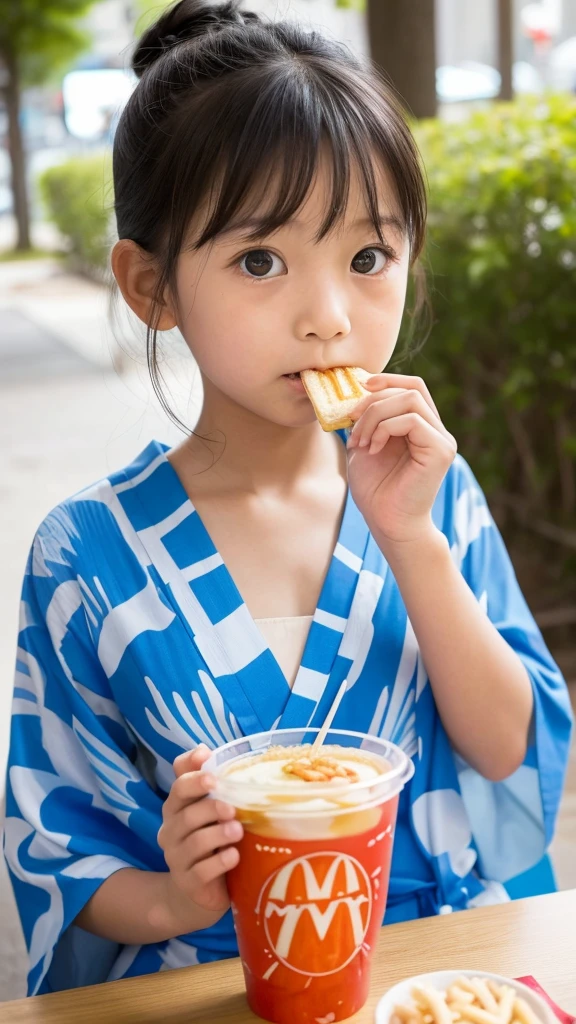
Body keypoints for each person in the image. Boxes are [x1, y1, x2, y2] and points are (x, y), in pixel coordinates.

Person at [3, 0, 572, 997]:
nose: (329, 318)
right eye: (260, 261)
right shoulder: (84, 549)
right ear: (152, 286)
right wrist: (180, 895)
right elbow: (59, 845)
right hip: (203, 980)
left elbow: (510, 754)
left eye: (368, 258)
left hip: (424, 980)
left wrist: (414, 541)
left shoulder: (432, 487)